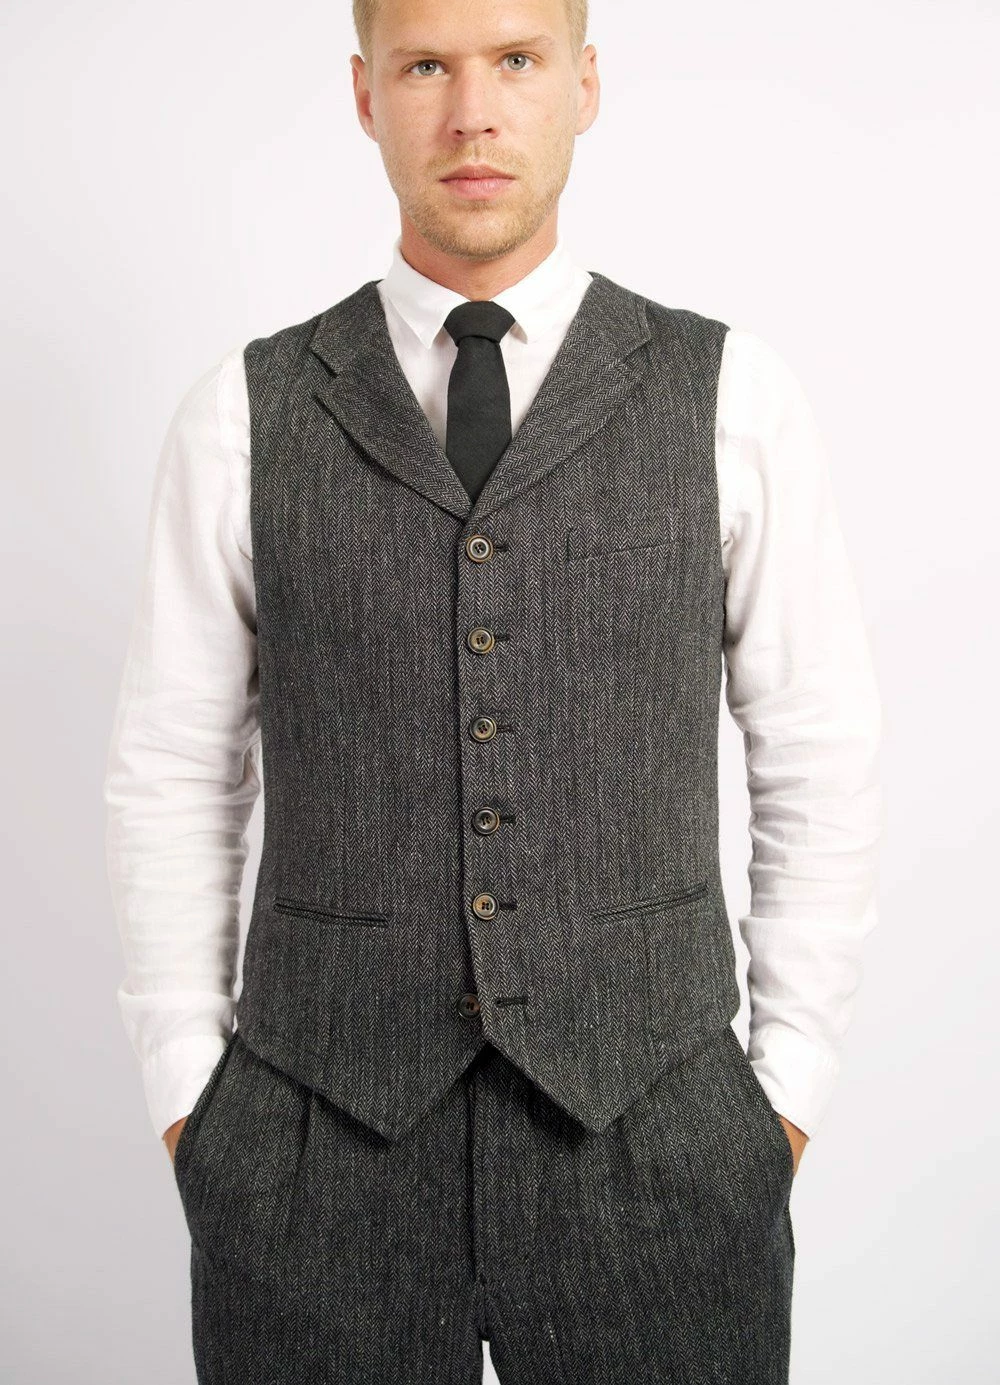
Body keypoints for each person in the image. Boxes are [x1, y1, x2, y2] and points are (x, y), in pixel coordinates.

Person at [103, 0, 883, 1380]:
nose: (472, 114)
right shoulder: (242, 412)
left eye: (516, 61)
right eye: (426, 67)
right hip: (315, 1142)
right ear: (366, 96)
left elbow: (817, 751)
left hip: (657, 1135)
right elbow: (173, 767)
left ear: (584, 84)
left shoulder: (730, 397)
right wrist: (190, 1099)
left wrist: (781, 1100)